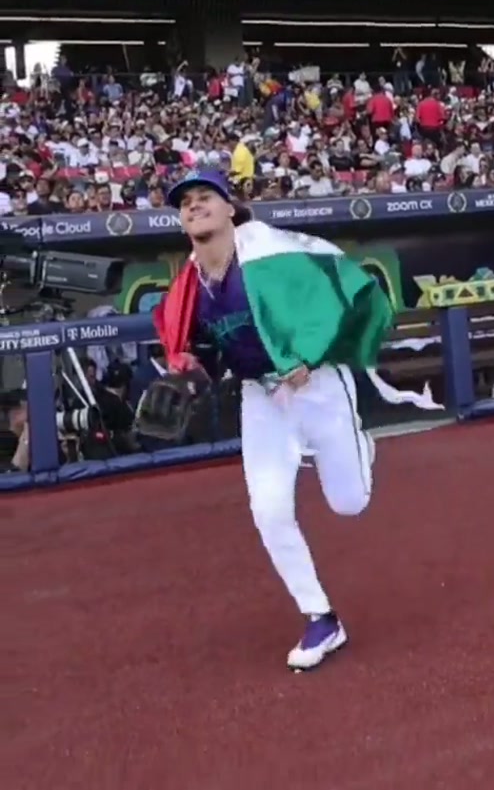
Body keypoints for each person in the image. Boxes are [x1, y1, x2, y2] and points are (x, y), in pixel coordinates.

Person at [154, 169, 438, 671]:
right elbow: (206, 354)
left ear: (229, 209)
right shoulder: (188, 291)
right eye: (185, 203)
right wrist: (191, 373)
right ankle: (321, 617)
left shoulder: (273, 253)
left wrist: (312, 350)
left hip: (319, 387)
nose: (194, 206)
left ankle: (357, 443)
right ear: (181, 222)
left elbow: (353, 287)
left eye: (205, 197)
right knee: (268, 510)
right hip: (260, 398)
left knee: (349, 503)